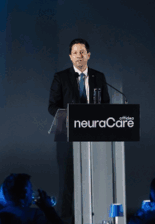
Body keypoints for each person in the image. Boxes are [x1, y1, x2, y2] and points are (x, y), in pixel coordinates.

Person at [47, 38, 110, 222]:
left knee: (93, 180)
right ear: (70, 56)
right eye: (75, 53)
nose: (78, 56)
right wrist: (69, 116)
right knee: (67, 182)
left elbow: (106, 104)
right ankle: (66, 220)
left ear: (88, 55)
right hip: (67, 136)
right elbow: (52, 106)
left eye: (82, 52)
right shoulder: (61, 77)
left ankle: (94, 217)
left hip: (93, 136)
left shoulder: (99, 77)